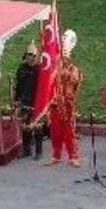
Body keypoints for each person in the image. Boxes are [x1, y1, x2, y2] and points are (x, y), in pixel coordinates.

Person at [45, 30, 83, 167]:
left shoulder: (73, 69)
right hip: (55, 105)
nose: (62, 59)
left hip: (67, 106)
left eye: (64, 57)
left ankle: (73, 156)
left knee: (69, 132)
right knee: (55, 131)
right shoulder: (54, 70)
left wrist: (64, 75)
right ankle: (56, 155)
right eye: (61, 57)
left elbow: (75, 84)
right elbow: (49, 86)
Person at [15, 43, 43, 159]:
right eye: (29, 54)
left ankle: (39, 152)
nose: (31, 57)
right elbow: (18, 85)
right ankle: (27, 150)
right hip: (25, 101)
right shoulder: (21, 68)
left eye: (33, 55)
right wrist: (16, 99)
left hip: (37, 101)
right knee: (25, 127)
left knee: (37, 127)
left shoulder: (40, 69)